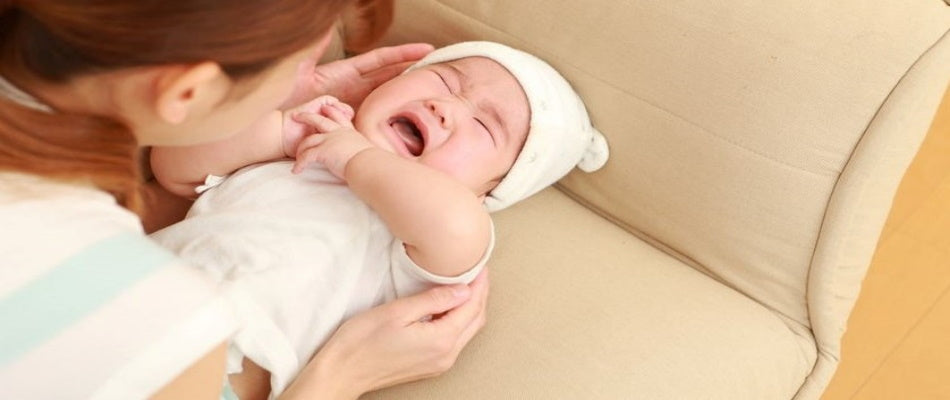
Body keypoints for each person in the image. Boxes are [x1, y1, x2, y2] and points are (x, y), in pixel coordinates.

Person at [0, 1, 490, 399]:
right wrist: (342, 376)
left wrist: (256, 101)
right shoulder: (166, 325)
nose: (444, 109)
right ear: (188, 92)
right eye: (305, 58)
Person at [149, 41, 610, 399]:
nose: (446, 107)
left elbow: (456, 226)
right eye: (445, 82)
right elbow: (172, 166)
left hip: (214, 367)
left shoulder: (418, 234)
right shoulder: (302, 144)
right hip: (127, 297)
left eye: (485, 126)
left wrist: (355, 158)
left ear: (488, 191)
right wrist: (284, 126)